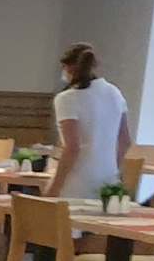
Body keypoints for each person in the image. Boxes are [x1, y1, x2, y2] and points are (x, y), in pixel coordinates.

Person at [50, 42, 133, 200]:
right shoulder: (114, 93)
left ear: (68, 68)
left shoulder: (67, 98)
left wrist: (54, 187)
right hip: (108, 181)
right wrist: (112, 169)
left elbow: (72, 147)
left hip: (76, 182)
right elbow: (125, 141)